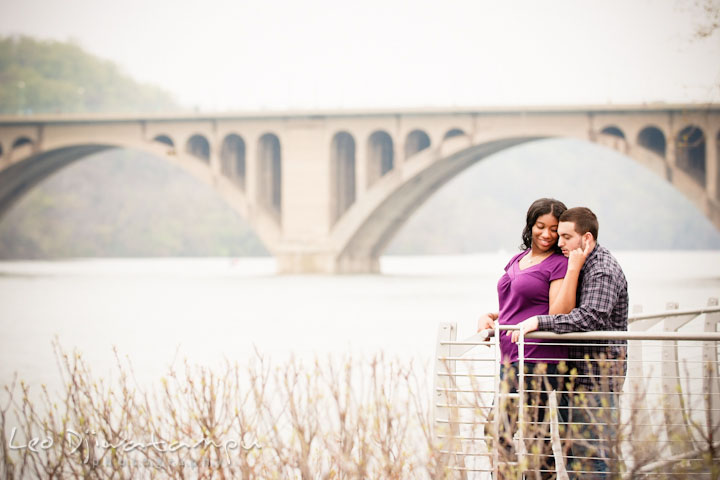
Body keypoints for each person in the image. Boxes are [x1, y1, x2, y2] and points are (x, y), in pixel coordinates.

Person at [511, 207, 629, 479]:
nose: (559, 243)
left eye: (566, 237)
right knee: (575, 457)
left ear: (586, 239)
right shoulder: (580, 266)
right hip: (575, 376)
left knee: (594, 458)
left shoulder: (603, 270)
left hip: (596, 381)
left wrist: (541, 323)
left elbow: (591, 317)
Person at [477, 198, 587, 478]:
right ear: (530, 225)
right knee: (519, 435)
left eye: (554, 229)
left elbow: (557, 311)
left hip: (537, 357)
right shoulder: (518, 259)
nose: (547, 234)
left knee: (520, 434)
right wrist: (491, 316)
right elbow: (520, 303)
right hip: (510, 357)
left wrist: (572, 268)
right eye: (540, 226)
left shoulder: (559, 264)